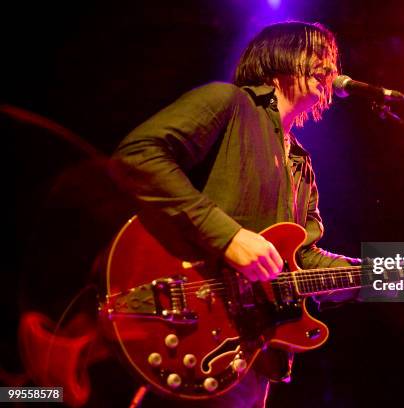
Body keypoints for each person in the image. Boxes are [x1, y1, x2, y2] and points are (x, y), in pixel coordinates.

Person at [110, 21, 359, 407]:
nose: (327, 66)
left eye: (331, 59)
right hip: (186, 319)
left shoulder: (301, 162)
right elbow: (139, 155)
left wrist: (381, 273)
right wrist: (227, 236)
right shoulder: (228, 102)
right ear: (278, 54)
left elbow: (302, 258)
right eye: (316, 54)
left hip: (249, 355)